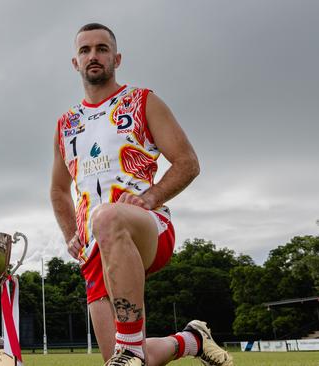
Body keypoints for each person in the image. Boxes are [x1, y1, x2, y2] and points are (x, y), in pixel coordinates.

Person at [50, 23, 232, 366]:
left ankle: (131, 346)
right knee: (124, 361)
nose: (93, 56)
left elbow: (187, 163)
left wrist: (149, 198)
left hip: (147, 227)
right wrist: (71, 234)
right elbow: (59, 190)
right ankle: (191, 341)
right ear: (75, 62)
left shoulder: (143, 101)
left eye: (102, 49)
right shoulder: (66, 124)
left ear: (116, 58)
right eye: (85, 50)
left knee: (109, 215)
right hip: (94, 250)